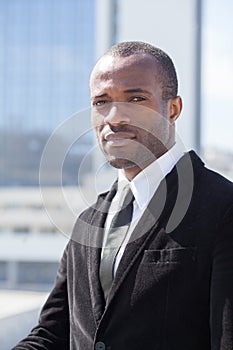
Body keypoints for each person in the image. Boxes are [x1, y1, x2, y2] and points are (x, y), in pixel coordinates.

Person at [13, 41, 233, 350]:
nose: (114, 117)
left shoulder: (223, 208)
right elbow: (51, 335)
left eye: (136, 98)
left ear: (173, 109)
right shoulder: (88, 222)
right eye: (101, 102)